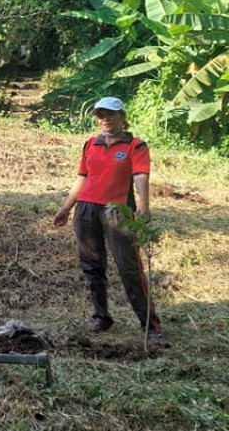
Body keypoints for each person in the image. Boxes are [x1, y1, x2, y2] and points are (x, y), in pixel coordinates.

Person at [52, 97, 168, 348]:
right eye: (100, 114)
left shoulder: (135, 146)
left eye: (110, 114)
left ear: (121, 116)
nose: (104, 119)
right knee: (91, 265)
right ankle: (101, 317)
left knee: (130, 268)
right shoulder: (90, 144)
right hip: (86, 209)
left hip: (118, 211)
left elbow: (140, 175)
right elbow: (82, 177)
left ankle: (151, 327)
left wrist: (144, 205)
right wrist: (66, 208)